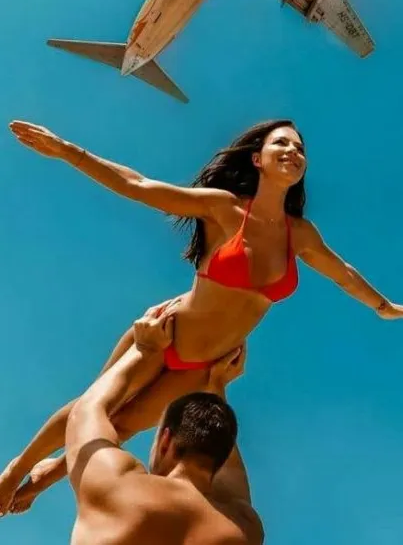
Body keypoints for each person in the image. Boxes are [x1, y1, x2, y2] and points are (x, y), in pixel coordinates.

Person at [1, 117, 402, 515]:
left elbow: (344, 274)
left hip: (203, 366)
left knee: (119, 429)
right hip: (166, 334)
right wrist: (67, 151)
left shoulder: (301, 235)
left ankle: (47, 477)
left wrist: (385, 307)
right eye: (281, 144)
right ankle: (13, 471)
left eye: (299, 149)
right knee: (94, 406)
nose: (293, 152)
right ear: (257, 159)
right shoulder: (222, 208)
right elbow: (138, 186)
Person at [66, 307, 263, 545]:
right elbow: (233, 483)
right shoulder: (243, 528)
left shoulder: (117, 486)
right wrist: (215, 387)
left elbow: (86, 409)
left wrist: (142, 350)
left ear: (166, 440)